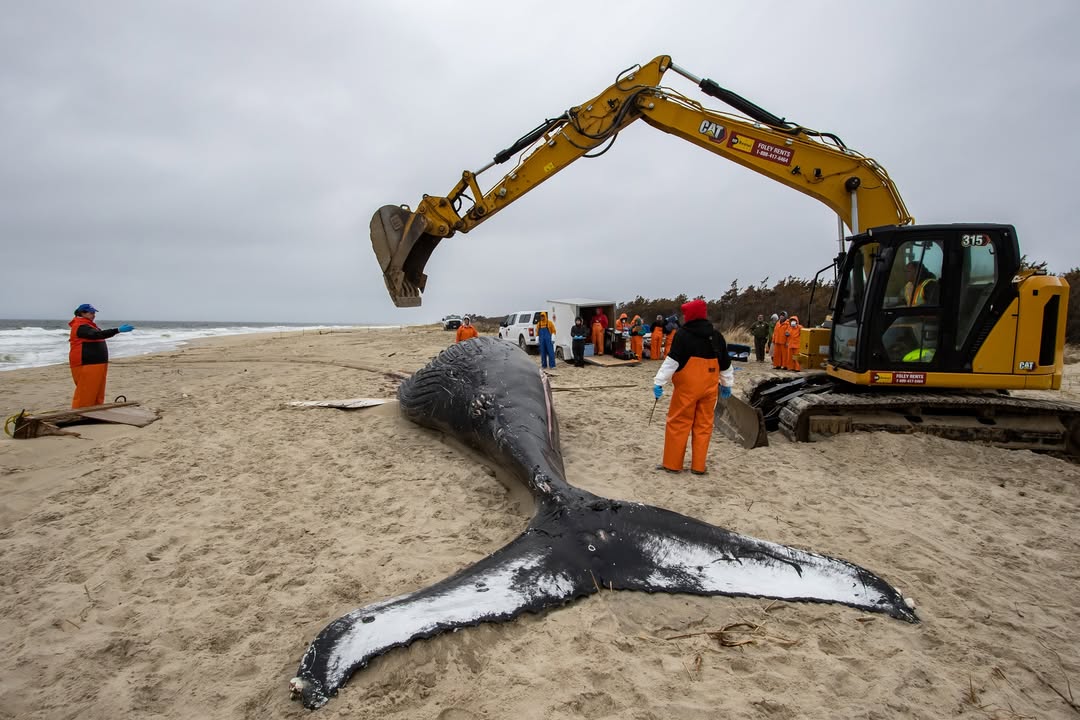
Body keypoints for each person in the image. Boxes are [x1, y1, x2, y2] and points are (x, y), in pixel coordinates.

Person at [652, 298, 734, 475]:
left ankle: (673, 464)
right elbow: (726, 364)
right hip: (710, 389)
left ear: (691, 315)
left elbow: (672, 362)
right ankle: (698, 466)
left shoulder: (683, 335)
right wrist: (727, 384)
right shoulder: (716, 336)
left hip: (687, 390)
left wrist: (659, 382)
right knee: (704, 425)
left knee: (679, 423)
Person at [68, 303, 134, 409]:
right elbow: (97, 335)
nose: (94, 315)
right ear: (82, 313)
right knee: (86, 390)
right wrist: (117, 330)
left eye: (94, 313)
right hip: (86, 363)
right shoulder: (80, 325)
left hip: (97, 363)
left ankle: (96, 409)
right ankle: (81, 412)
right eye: (91, 313)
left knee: (97, 389)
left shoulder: (89, 325)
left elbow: (98, 335)